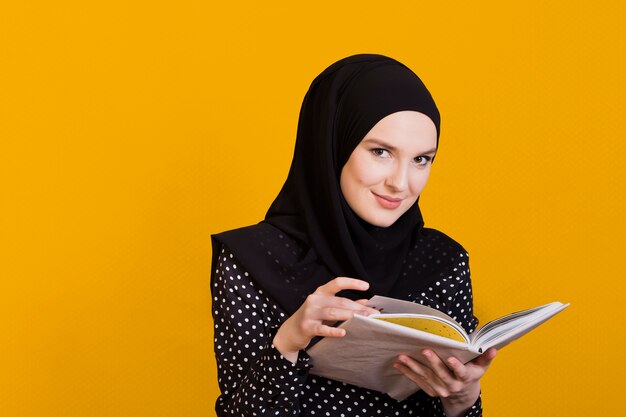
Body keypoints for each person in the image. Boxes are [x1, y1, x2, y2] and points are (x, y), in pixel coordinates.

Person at [210, 53, 496, 417]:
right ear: (333, 145)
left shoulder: (443, 261)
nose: (401, 183)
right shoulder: (253, 259)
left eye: (421, 159)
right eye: (381, 152)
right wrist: (288, 341)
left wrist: (462, 399)